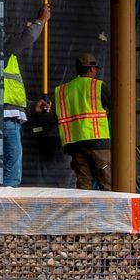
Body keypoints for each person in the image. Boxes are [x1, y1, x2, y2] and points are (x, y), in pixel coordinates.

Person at [0, 8, 48, 186]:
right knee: (12, 161)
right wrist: (41, 21)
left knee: (11, 158)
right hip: (6, 115)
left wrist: (31, 105)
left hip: (10, 113)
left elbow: (8, 91)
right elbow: (28, 38)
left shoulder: (7, 58)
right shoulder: (1, 46)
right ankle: (8, 193)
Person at [55, 50, 116, 191]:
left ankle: (85, 213)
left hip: (75, 143)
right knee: (107, 182)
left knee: (83, 183)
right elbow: (115, 106)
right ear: (92, 69)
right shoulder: (97, 86)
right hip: (97, 139)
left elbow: (57, 116)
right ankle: (109, 212)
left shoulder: (63, 90)